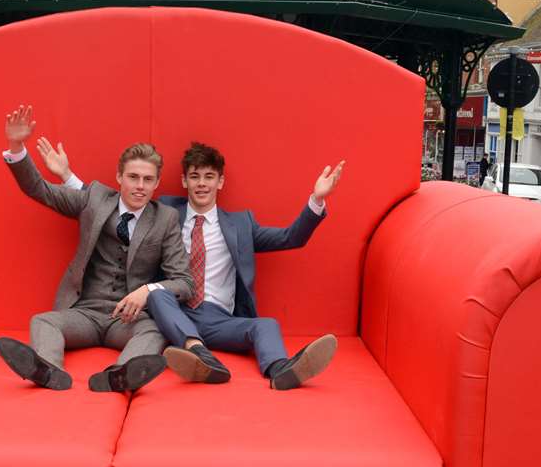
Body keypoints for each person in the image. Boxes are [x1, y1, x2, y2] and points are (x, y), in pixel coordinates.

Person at [46, 140, 343, 390]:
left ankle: (280, 371)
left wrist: (316, 200)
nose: (202, 183)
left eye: (209, 176)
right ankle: (197, 354)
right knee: (158, 292)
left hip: (219, 319)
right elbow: (111, 202)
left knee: (266, 325)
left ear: (220, 181)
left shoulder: (241, 225)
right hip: (172, 311)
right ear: (185, 181)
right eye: (195, 176)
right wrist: (69, 176)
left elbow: (291, 238)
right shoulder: (163, 214)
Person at [0, 104, 192, 394]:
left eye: (148, 180)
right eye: (133, 177)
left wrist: (147, 291)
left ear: (157, 183)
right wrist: (16, 146)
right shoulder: (94, 200)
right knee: (43, 321)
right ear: (119, 177)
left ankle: (119, 375)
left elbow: (184, 283)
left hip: (128, 319)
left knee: (155, 331)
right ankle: (48, 370)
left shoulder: (165, 219)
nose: (140, 186)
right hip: (84, 312)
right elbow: (40, 190)